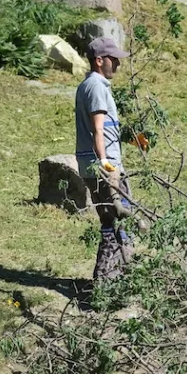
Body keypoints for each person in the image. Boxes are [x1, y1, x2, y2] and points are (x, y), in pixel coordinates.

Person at [75, 36, 133, 281]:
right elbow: (98, 128)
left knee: (110, 221)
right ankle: (110, 281)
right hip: (105, 166)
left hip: (90, 163)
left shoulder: (86, 85)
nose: (117, 64)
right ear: (99, 61)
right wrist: (107, 165)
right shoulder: (98, 87)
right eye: (113, 60)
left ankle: (111, 279)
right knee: (121, 221)